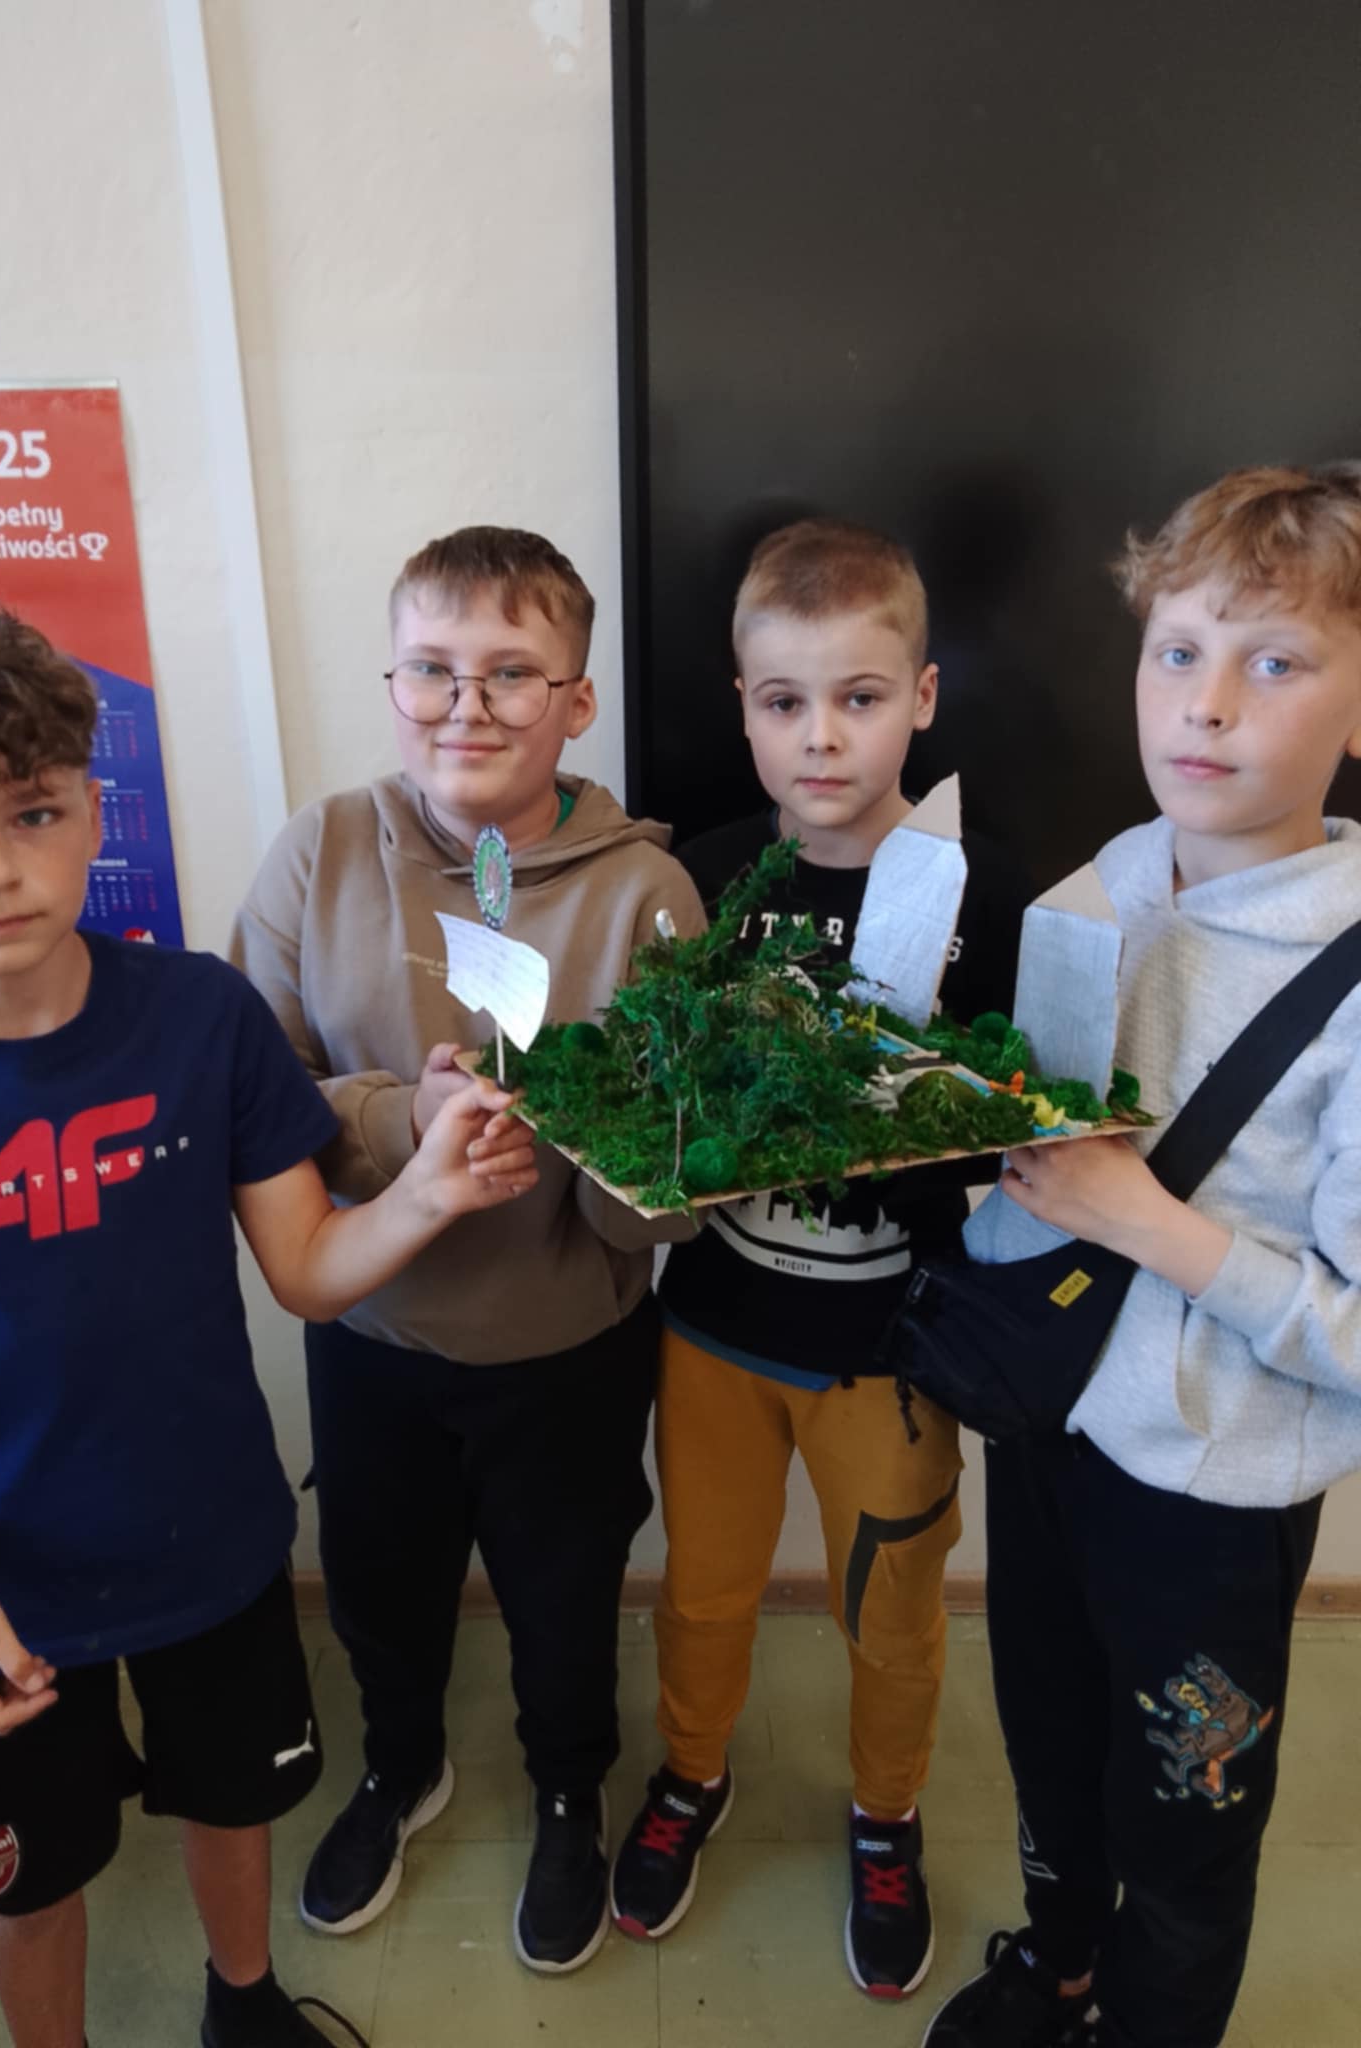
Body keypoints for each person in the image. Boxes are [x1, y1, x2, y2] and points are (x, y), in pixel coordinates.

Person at [0, 601, 534, 2048]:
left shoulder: (202, 1018)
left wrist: (427, 1193)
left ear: (96, 813)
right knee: (33, 1883)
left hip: (214, 1544)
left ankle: (245, 2002)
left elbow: (309, 1269)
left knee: (235, 1801)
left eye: (33, 812)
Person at [923, 463, 1361, 2048]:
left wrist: (1147, 1224)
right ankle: (1060, 1966)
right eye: (1178, 650)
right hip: (1052, 1427)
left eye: (1275, 660)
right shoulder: (1102, 879)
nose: (1207, 704)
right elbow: (1040, 1156)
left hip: (1215, 1498)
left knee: (1185, 1817)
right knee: (1047, 1738)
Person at [231, 525, 705, 1975]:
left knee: (567, 1599)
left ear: (577, 700)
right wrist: (401, 1121)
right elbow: (256, 1088)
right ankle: (402, 1764)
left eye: (511, 674)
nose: (466, 706)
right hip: (371, 1332)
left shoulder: (648, 897)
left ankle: (568, 1787)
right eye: (431, 670)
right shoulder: (320, 851)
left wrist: (601, 1133)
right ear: (393, 682)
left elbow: (677, 1189)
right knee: (380, 1583)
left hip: (568, 1348)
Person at [608, 519, 1030, 2000]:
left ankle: (886, 1815)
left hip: (894, 1348)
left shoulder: (990, 894)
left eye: (859, 697)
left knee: (894, 1610)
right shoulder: (704, 880)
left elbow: (1037, 1130)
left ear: (923, 696)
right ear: (743, 707)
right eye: (785, 702)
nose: (822, 736)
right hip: (715, 1326)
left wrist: (935, 1133)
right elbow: (648, 1091)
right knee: (704, 1585)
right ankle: (692, 1771)